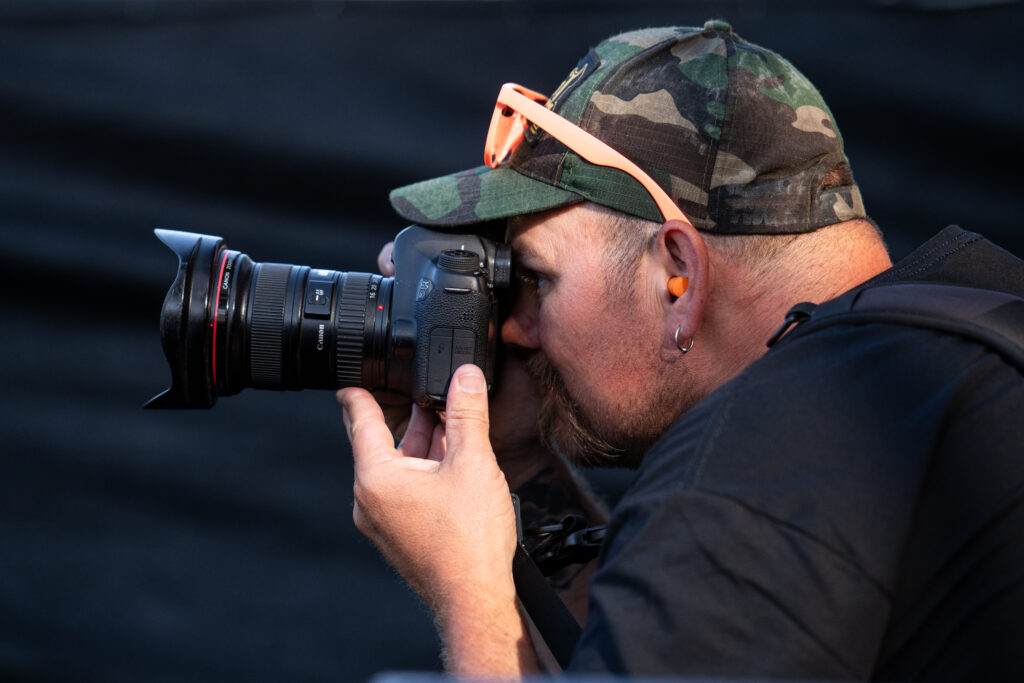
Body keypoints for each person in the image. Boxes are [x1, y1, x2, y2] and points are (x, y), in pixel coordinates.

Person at [338, 21, 1024, 680]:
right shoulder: (974, 324)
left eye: (538, 278)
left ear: (679, 274)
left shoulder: (758, 459)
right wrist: (519, 459)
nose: (516, 329)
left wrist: (465, 586)